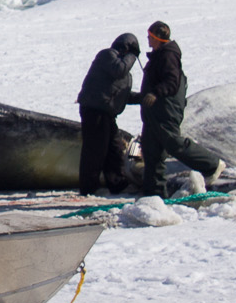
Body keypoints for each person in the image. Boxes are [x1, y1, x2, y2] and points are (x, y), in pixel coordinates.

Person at [133, 21, 221, 194]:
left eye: (150, 36)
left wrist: (155, 93)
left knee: (173, 143)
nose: (148, 39)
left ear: (157, 38)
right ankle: (153, 193)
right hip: (153, 112)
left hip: (164, 110)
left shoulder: (168, 56)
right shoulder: (159, 55)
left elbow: (172, 82)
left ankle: (212, 164)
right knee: (151, 150)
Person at [74, 33, 141, 194]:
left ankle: (117, 183)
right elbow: (119, 70)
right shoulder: (107, 55)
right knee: (95, 150)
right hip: (94, 109)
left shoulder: (122, 70)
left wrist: (144, 97)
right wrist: (132, 55)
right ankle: (89, 187)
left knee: (114, 149)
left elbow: (122, 95)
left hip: (106, 112)